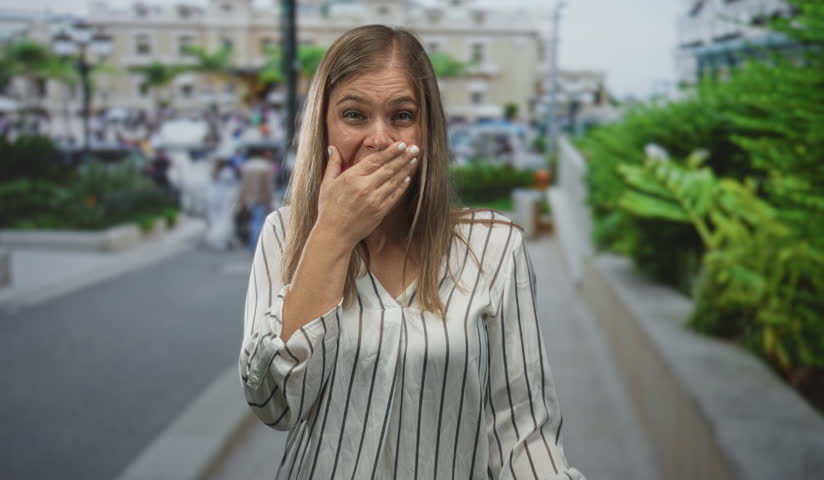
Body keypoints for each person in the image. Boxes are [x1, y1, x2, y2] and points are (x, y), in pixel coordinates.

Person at [238, 25, 587, 480]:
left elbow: (522, 432)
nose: (380, 139)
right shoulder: (283, 235)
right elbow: (273, 403)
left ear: (427, 130)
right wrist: (332, 236)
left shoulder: (496, 247)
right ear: (324, 123)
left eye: (401, 115)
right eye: (355, 115)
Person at [238, 149, 276, 253]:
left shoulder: (246, 166)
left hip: (249, 199)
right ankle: (256, 246)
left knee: (252, 223)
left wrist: (241, 200)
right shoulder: (266, 167)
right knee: (258, 223)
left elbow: (243, 185)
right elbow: (269, 187)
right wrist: (270, 202)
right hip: (261, 198)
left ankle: (252, 246)